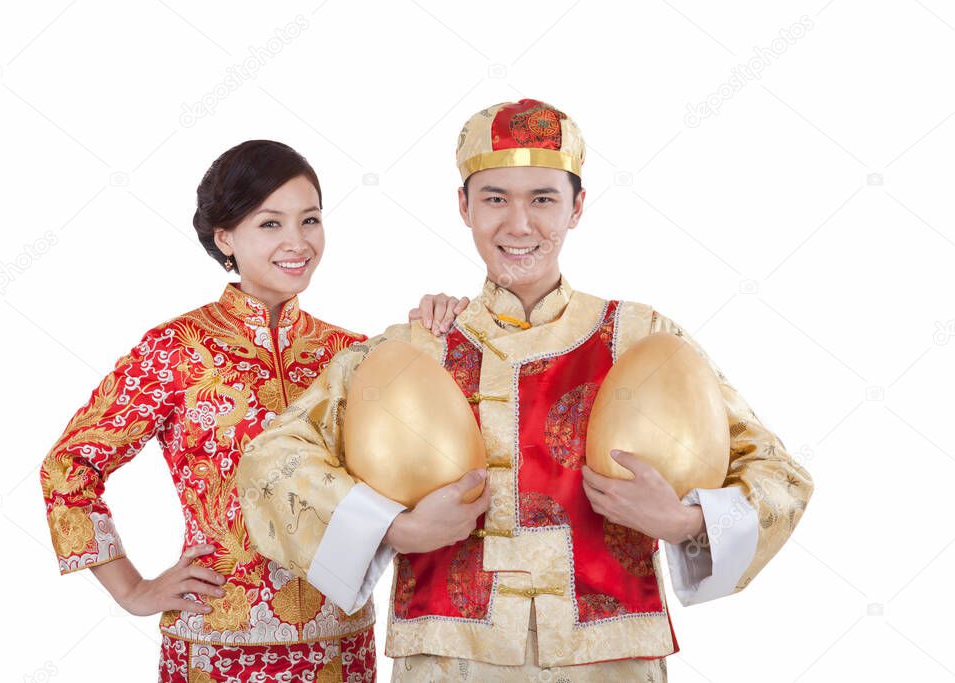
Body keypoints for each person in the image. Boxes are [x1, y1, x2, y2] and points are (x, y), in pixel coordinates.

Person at [236, 100, 814, 681]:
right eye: (495, 199)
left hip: (613, 663)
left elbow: (779, 476)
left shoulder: (642, 337)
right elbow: (271, 460)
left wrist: (687, 522)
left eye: (543, 198)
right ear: (463, 206)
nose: (519, 224)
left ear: (577, 206)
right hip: (447, 660)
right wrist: (396, 529)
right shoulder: (420, 344)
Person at [40, 139, 467, 682]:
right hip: (215, 645)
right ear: (225, 238)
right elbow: (68, 468)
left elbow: (426, 459)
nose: (297, 242)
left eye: (309, 220)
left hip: (338, 646)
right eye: (270, 224)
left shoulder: (353, 354)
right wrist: (131, 589)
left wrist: (438, 337)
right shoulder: (176, 350)